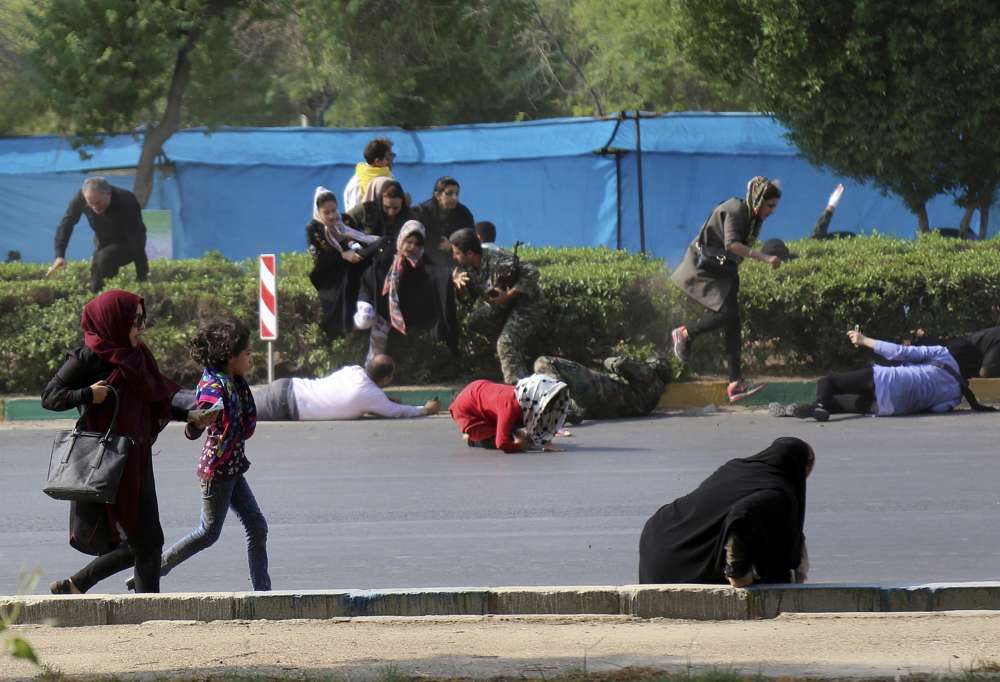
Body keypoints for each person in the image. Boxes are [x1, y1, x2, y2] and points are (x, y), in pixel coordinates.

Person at [41, 290, 182, 594]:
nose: (140, 328)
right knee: (143, 541)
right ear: (114, 321)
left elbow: (156, 397)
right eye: (135, 321)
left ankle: (82, 586)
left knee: (148, 540)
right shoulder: (89, 357)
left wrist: (192, 415)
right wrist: (88, 394)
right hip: (104, 460)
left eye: (142, 320)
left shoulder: (138, 356)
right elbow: (50, 396)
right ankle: (129, 601)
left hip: (136, 457)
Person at [132, 319, 271, 592]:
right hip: (217, 472)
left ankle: (263, 591)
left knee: (257, 527)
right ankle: (151, 572)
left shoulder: (235, 381)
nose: (251, 357)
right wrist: (198, 422)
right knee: (208, 533)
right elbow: (196, 423)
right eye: (247, 353)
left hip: (233, 468)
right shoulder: (213, 387)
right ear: (231, 358)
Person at [639, 437, 814, 586]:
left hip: (660, 540)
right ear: (801, 468)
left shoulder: (736, 468)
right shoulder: (777, 493)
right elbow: (741, 514)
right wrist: (737, 572)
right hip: (682, 565)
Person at [670, 176, 783, 403]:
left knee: (733, 322)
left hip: (724, 269)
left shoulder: (752, 217)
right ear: (758, 200)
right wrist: (764, 257)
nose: (772, 211)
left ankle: (735, 383)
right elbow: (732, 244)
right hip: (705, 267)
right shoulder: (735, 211)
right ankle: (684, 333)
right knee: (727, 314)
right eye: (770, 206)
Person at [769, 330, 995, 420]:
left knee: (828, 381)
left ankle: (817, 404)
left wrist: (864, 340)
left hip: (886, 379)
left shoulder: (942, 354)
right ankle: (797, 409)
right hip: (892, 408)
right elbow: (935, 409)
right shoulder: (956, 394)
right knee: (839, 403)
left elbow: (900, 352)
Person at [354, 220, 459, 362]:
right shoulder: (385, 246)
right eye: (409, 242)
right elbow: (361, 255)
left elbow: (436, 273)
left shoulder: (421, 261)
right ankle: (349, 324)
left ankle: (372, 374)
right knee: (365, 319)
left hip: (386, 310)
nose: (412, 247)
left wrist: (452, 276)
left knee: (377, 348)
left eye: (417, 244)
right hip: (369, 294)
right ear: (401, 239)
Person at [450, 228, 544, 384]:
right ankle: (497, 366)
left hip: (525, 305)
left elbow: (532, 272)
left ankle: (517, 386)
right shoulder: (465, 266)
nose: (454, 257)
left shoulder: (499, 260)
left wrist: (509, 295)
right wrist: (457, 284)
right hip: (500, 306)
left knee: (505, 342)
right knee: (473, 322)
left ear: (470, 254)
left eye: (457, 253)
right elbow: (466, 296)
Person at [47, 177, 149, 293]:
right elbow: (67, 222)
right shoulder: (80, 198)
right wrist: (59, 255)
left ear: (108, 194)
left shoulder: (126, 199)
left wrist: (142, 275)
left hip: (128, 242)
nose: (95, 207)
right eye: (91, 204)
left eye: (98, 202)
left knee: (104, 258)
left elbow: (135, 237)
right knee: (97, 274)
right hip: (104, 242)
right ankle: (99, 300)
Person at [306, 186, 383, 340]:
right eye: (326, 212)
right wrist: (343, 256)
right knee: (347, 279)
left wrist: (355, 251)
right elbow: (321, 259)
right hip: (330, 271)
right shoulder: (314, 228)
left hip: (354, 261)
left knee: (380, 248)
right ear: (318, 212)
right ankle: (346, 325)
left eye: (334, 210)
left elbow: (360, 238)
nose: (332, 215)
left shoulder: (345, 221)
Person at [450, 374, 569, 453]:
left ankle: (509, 430)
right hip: (467, 410)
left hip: (481, 393)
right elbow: (502, 443)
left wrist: (546, 441)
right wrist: (521, 446)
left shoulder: (524, 397)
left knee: (516, 427)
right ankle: (471, 439)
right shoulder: (509, 408)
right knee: (498, 439)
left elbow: (540, 419)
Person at [532, 354, 671, 421]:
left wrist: (610, 360)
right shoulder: (652, 401)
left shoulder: (648, 373)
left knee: (544, 362)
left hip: (597, 388)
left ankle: (558, 403)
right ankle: (565, 410)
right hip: (595, 411)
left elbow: (617, 363)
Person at [414, 176, 475, 262]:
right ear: (437, 195)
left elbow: (472, 243)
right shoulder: (421, 212)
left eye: (457, 193)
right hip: (423, 262)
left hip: (453, 264)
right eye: (449, 193)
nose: (455, 198)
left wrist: (452, 247)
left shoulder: (464, 214)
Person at [347, 178, 413, 241]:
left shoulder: (409, 216)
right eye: (387, 207)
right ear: (380, 202)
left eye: (396, 208)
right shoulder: (367, 210)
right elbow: (344, 221)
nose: (391, 212)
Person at [342, 137, 395, 212]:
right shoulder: (357, 184)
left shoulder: (389, 176)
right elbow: (355, 215)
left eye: (392, 155)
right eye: (389, 156)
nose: (392, 159)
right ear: (377, 161)